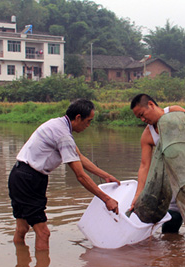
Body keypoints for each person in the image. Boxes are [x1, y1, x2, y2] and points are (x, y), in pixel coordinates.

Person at [8, 99, 119, 251]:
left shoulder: (57, 124)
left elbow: (78, 157)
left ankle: (22, 266)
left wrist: (105, 175)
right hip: (29, 180)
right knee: (44, 233)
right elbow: (80, 176)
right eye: (88, 121)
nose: (88, 126)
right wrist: (107, 199)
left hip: (18, 175)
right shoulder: (63, 136)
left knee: (22, 228)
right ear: (78, 117)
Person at [129, 93, 185, 233]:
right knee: (171, 222)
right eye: (139, 117)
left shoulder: (175, 112)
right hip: (171, 182)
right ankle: (173, 250)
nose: (142, 119)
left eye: (142, 114)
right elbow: (144, 166)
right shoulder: (147, 135)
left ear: (151, 105)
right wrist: (137, 195)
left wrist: (173, 123)